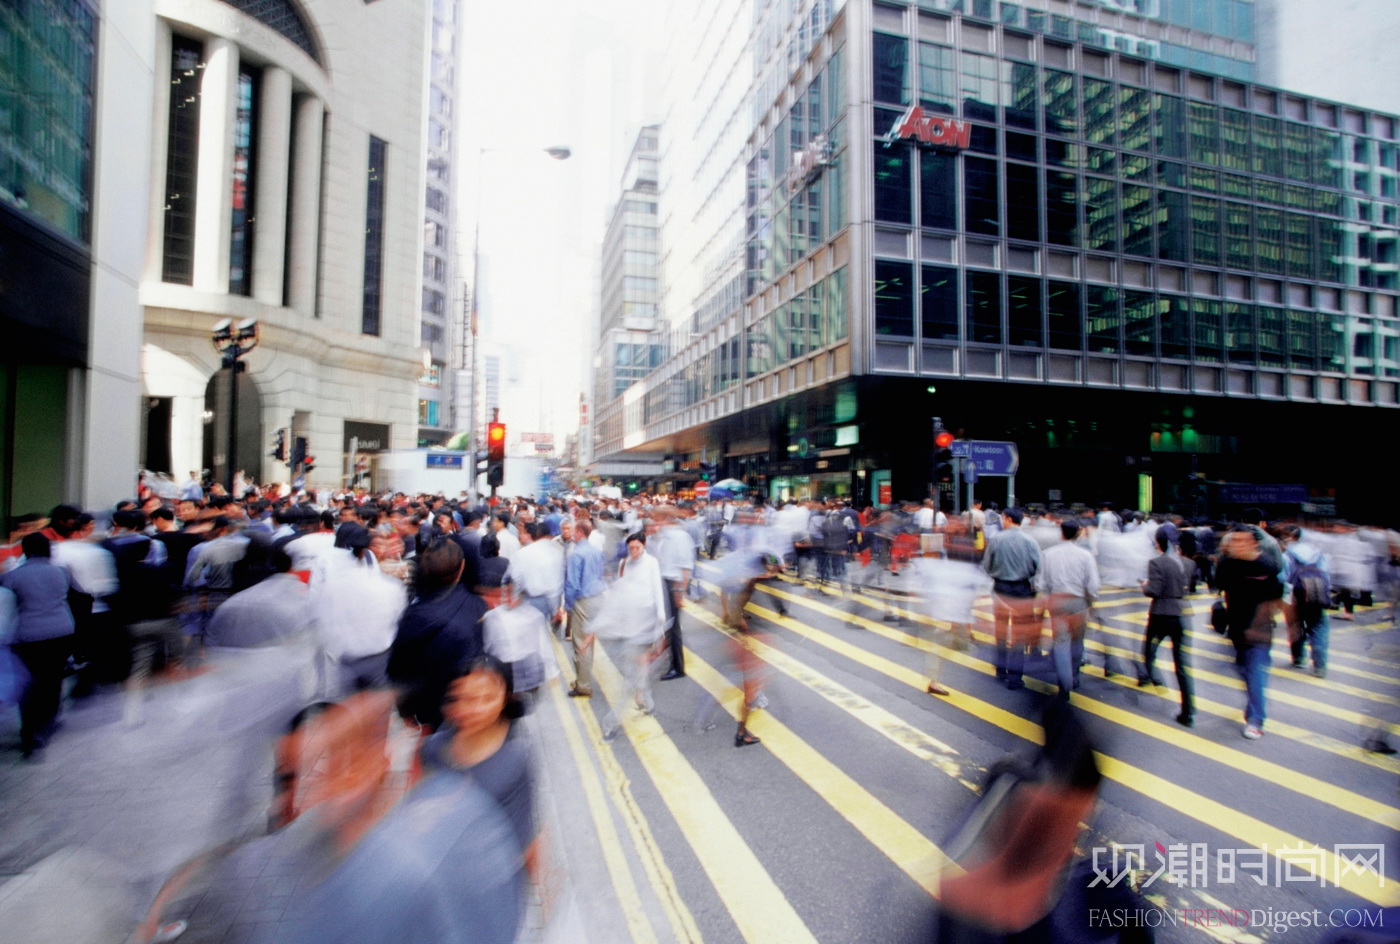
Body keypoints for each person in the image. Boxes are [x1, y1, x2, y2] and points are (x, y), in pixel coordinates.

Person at [419, 655, 539, 882]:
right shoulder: (432, 749)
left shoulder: (516, 758)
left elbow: (523, 832)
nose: (475, 710)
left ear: (506, 698)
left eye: (487, 699)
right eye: (465, 698)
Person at [388, 538, 487, 731]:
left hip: (430, 704)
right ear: (461, 568)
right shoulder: (477, 607)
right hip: (466, 704)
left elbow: (399, 669)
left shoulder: (413, 616)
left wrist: (405, 710)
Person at [2, 533, 75, 757]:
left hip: (28, 635)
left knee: (30, 682)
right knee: (52, 679)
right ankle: (47, 724)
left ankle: (30, 731)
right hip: (61, 630)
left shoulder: (13, 576)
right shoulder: (62, 571)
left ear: (24, 550)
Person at [1215, 528, 1283, 740]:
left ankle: (1255, 720)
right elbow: (1218, 584)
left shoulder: (1267, 564)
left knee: (1255, 672)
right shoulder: (1227, 563)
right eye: (1234, 540)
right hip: (1236, 629)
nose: (1237, 544)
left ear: (1255, 543)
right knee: (1243, 669)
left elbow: (1276, 599)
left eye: (1242, 540)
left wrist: (1260, 625)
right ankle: (1256, 699)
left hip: (1260, 631)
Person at [591, 532, 668, 716]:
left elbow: (657, 589)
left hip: (647, 619)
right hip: (629, 619)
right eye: (630, 548)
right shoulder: (623, 563)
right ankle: (643, 695)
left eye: (637, 548)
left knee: (641, 661)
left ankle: (640, 694)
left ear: (644, 546)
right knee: (633, 661)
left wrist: (661, 617)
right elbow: (621, 591)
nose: (633, 551)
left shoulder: (651, 563)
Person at [718, 551, 784, 746]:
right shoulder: (749, 584)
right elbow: (736, 612)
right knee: (750, 686)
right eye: (768, 569)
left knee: (751, 682)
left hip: (750, 642)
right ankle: (742, 732)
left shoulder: (753, 582)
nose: (770, 572)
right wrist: (743, 630)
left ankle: (749, 708)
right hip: (749, 644)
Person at [1138, 529, 1196, 726]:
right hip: (1182, 614)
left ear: (1159, 543)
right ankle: (1188, 711)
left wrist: (1144, 586)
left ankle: (1153, 678)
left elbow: (1154, 590)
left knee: (1148, 651)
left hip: (1161, 614)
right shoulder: (1188, 563)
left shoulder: (1156, 562)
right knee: (1182, 664)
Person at [1037, 519, 1100, 700]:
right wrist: (1090, 603)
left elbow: (1042, 583)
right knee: (1078, 641)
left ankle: (1064, 686)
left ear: (1061, 533)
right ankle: (1075, 677)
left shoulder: (1048, 554)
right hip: (1078, 602)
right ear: (1078, 534)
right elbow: (1093, 585)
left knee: (1061, 642)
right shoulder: (1086, 555)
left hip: (1057, 601)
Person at [981, 508, 1041, 690]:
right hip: (1022, 590)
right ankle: (1015, 677)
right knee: (1020, 634)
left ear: (1007, 519)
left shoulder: (996, 539)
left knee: (1000, 631)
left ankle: (1000, 669)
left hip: (1000, 588)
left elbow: (986, 566)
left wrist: (997, 574)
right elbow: (1037, 568)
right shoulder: (1030, 541)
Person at [1281, 525, 1331, 677]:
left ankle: (1298, 658)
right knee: (1318, 627)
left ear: (1290, 538)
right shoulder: (1316, 553)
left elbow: (1283, 579)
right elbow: (1326, 575)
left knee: (1295, 626)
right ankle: (1320, 665)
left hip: (1295, 596)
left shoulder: (1286, 555)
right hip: (1316, 594)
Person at [564, 518, 606, 698]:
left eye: (574, 530)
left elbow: (572, 583)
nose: (572, 533)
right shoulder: (597, 551)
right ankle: (583, 679)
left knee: (581, 644)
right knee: (589, 642)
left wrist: (567, 605)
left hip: (583, 600)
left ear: (580, 532)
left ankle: (583, 685)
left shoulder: (575, 554)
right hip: (597, 597)